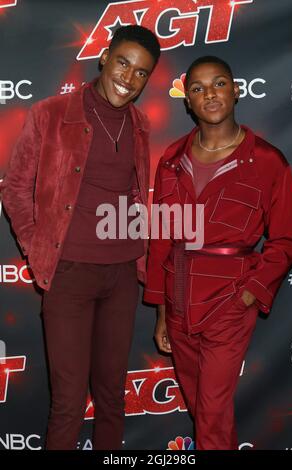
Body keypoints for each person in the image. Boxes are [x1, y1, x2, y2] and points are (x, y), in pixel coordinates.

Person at [1, 25, 160, 450]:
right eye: (123, 62)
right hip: (69, 275)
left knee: (112, 398)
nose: (128, 78)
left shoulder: (140, 124)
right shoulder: (51, 113)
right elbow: (15, 188)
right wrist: (36, 248)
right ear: (104, 57)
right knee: (69, 403)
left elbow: (132, 194)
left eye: (141, 73)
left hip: (123, 275)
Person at [144, 56, 292, 450]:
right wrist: (162, 311)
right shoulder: (172, 161)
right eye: (197, 88)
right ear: (188, 102)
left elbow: (286, 241)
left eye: (218, 84)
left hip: (230, 297)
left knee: (211, 412)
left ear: (236, 90)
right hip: (179, 297)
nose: (208, 94)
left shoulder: (267, 161)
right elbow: (161, 238)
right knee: (203, 410)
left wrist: (250, 292)